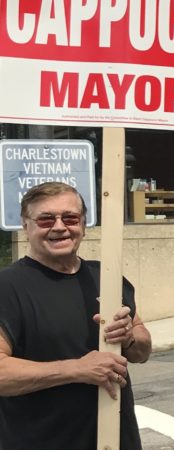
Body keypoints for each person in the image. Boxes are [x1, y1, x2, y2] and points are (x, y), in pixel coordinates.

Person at [0, 182, 152, 449]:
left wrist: (129, 337)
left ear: (82, 224)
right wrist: (76, 369)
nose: (59, 227)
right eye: (46, 219)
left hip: (118, 441)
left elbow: (142, 350)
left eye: (69, 218)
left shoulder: (106, 277)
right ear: (26, 226)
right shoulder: (8, 287)